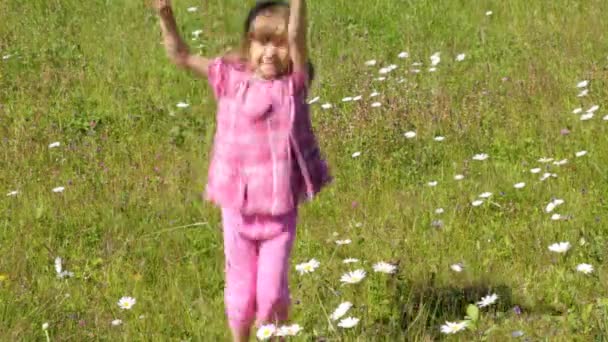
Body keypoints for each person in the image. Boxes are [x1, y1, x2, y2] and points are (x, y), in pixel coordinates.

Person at [153, 1, 331, 340]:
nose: (269, 51)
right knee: (240, 299)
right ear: (248, 43)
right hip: (237, 211)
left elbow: (296, 33)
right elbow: (181, 56)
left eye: (277, 43)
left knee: (271, 298)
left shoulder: (293, 85)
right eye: (261, 41)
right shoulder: (230, 79)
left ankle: (275, 335)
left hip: (278, 216)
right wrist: (166, 16)